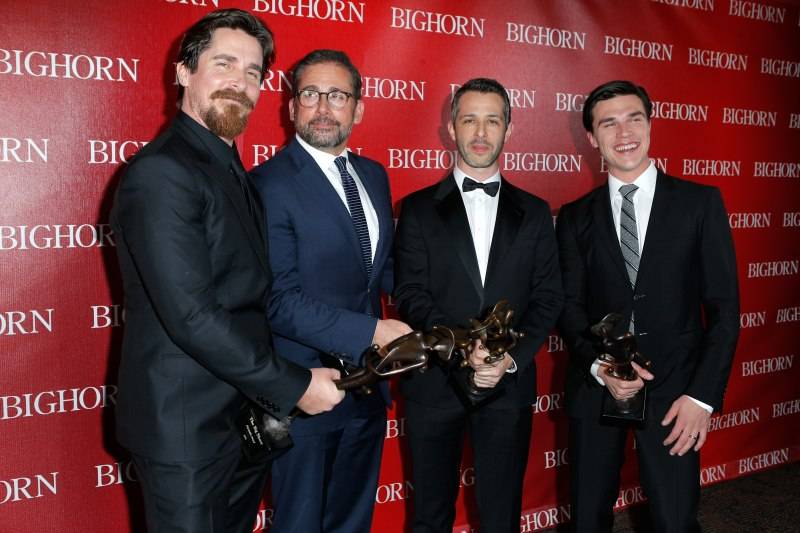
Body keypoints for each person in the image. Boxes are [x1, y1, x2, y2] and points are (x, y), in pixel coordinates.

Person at [110, 10, 344, 533]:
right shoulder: (162, 173)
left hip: (236, 424)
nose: (239, 82)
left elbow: (247, 298)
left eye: (253, 72)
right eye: (224, 64)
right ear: (184, 72)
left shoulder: (226, 166)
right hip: (185, 435)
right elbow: (192, 316)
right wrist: (296, 384)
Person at [556, 80, 740, 532]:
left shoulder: (700, 203)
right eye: (609, 123)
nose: (624, 133)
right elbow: (569, 308)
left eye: (634, 118)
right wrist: (601, 369)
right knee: (586, 520)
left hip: (676, 392)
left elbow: (724, 310)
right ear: (591, 138)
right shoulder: (574, 216)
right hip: (596, 387)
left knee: (676, 521)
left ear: (651, 125)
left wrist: (701, 397)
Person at [393, 78, 564, 533]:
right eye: (470, 119)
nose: (481, 132)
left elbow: (549, 297)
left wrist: (509, 357)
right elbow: (410, 293)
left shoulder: (535, 212)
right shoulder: (417, 209)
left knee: (501, 514)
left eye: (494, 120)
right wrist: (461, 348)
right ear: (451, 128)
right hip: (434, 383)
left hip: (507, 385)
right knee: (430, 516)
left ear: (509, 129)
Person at [251, 49, 411, 533]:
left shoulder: (374, 176)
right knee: (300, 523)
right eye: (310, 94)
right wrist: (372, 330)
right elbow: (277, 299)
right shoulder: (266, 184)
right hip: (306, 389)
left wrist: (437, 311)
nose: (323, 107)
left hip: (369, 386)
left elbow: (380, 273)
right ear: (291, 106)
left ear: (358, 109)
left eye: (337, 95)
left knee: (351, 521)